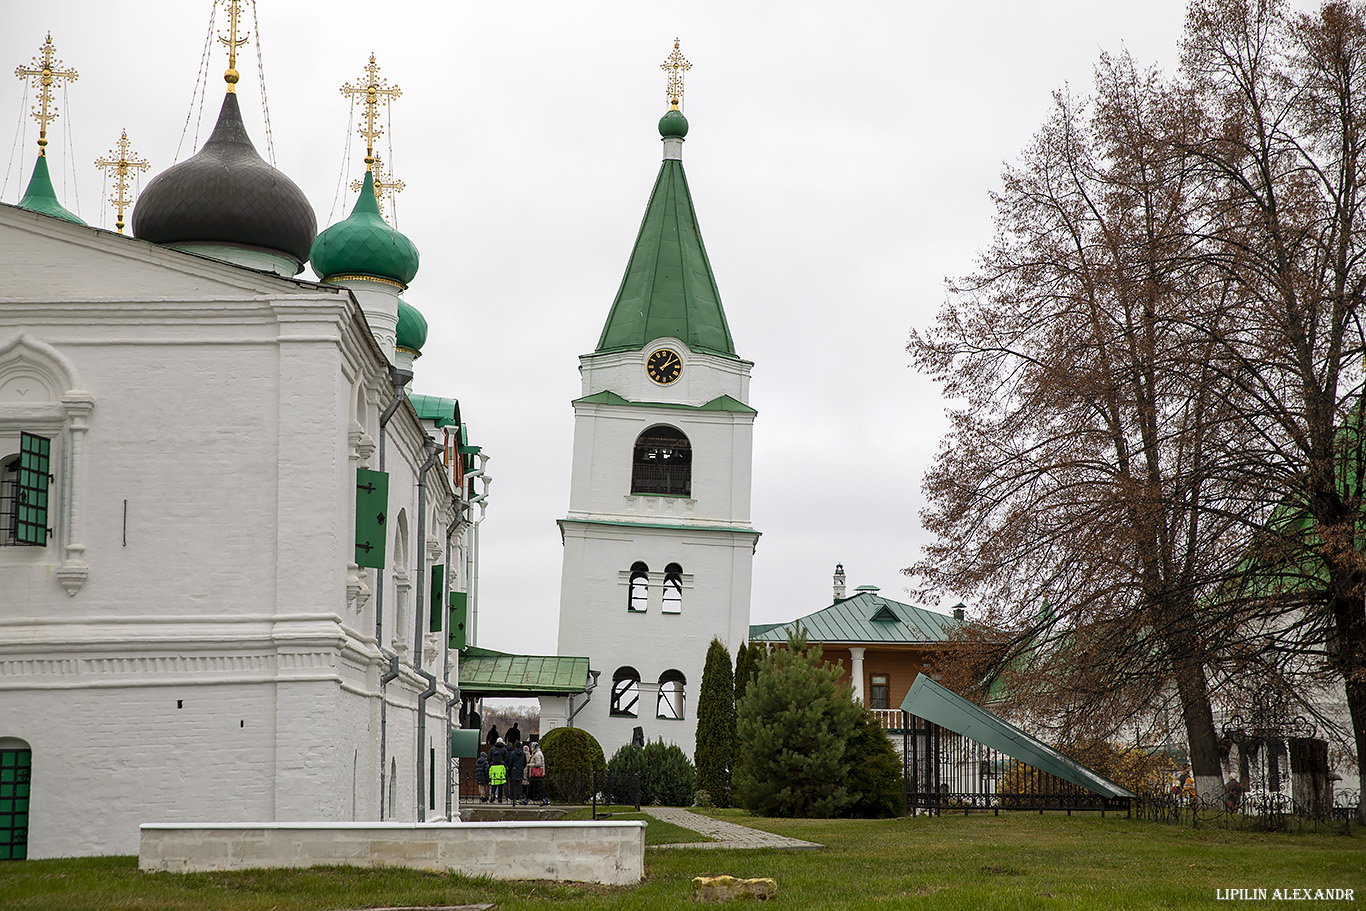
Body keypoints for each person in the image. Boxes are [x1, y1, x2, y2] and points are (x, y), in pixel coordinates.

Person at [507, 737, 527, 804]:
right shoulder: (523, 754)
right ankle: (518, 797)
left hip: (513, 770)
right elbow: (525, 763)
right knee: (519, 784)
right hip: (520, 770)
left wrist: (509, 767)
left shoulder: (513, 753)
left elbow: (511, 762)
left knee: (513, 784)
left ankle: (512, 796)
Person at [528, 741, 547, 805]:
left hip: (537, 773)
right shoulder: (537, 753)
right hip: (537, 773)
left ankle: (543, 799)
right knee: (535, 787)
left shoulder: (537, 754)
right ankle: (529, 799)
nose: (531, 749)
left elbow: (538, 764)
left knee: (539, 787)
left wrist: (530, 765)